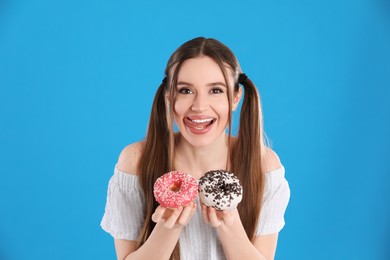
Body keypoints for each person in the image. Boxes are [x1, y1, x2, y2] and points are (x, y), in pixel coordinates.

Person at [101, 37, 290, 260]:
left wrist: (230, 227)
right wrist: (167, 228)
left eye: (216, 90)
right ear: (169, 97)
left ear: (236, 98)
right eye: (186, 91)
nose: (199, 106)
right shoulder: (136, 162)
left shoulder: (262, 165)